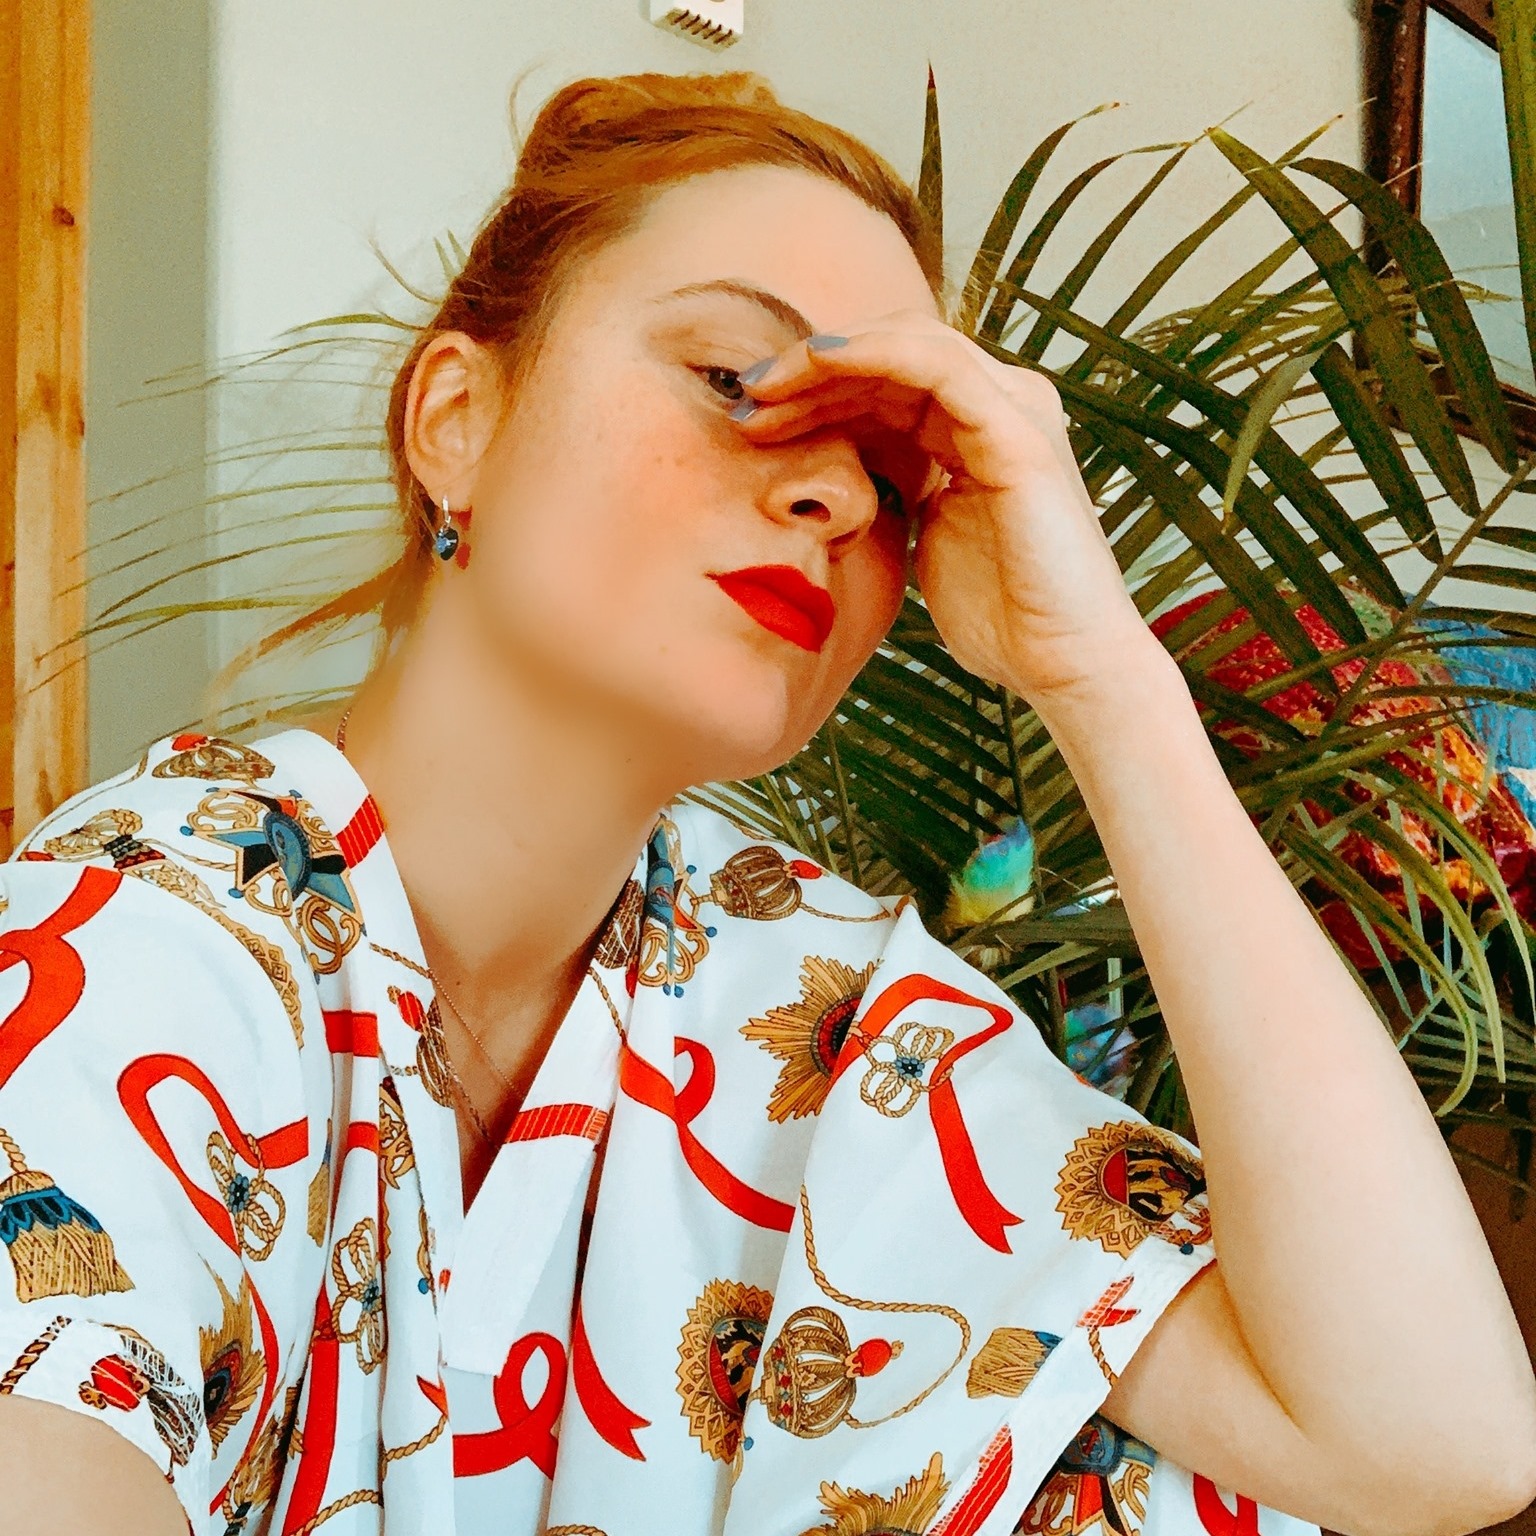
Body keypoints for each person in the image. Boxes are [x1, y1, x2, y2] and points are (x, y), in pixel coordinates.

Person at [0, 68, 1531, 1536]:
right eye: (735, 378)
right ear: (455, 418)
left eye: (893, 473)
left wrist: (1103, 678)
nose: (843, 498)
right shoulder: (134, 944)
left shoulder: (820, 1006)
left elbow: (1431, 1444)